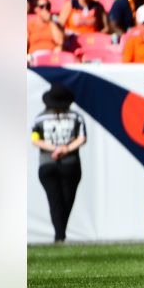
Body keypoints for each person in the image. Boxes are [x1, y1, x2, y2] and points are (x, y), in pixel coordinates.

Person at [31, 83, 87, 243]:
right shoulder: (76, 117)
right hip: (70, 163)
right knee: (66, 200)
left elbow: (35, 140)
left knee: (55, 201)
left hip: (48, 164)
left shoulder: (40, 118)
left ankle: (59, 234)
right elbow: (82, 138)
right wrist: (65, 148)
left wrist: (54, 149)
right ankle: (60, 234)